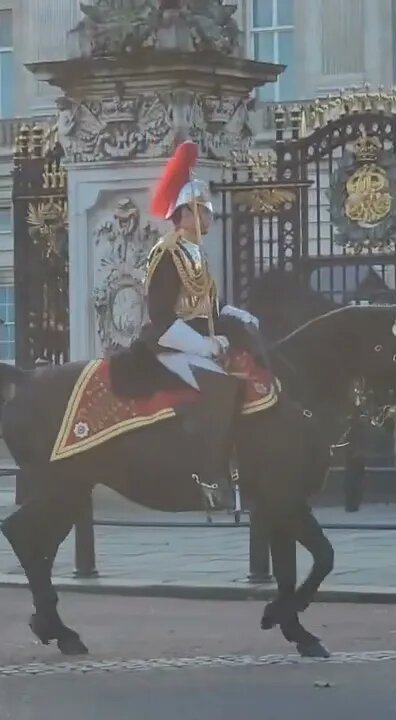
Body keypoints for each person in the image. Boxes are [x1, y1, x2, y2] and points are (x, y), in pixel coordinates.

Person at [136, 140, 261, 498]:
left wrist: (238, 316)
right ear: (186, 213)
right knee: (219, 388)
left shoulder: (196, 252)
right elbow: (160, 312)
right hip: (170, 343)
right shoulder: (167, 252)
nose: (209, 217)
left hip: (196, 341)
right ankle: (205, 471)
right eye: (204, 211)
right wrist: (202, 344)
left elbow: (209, 305)